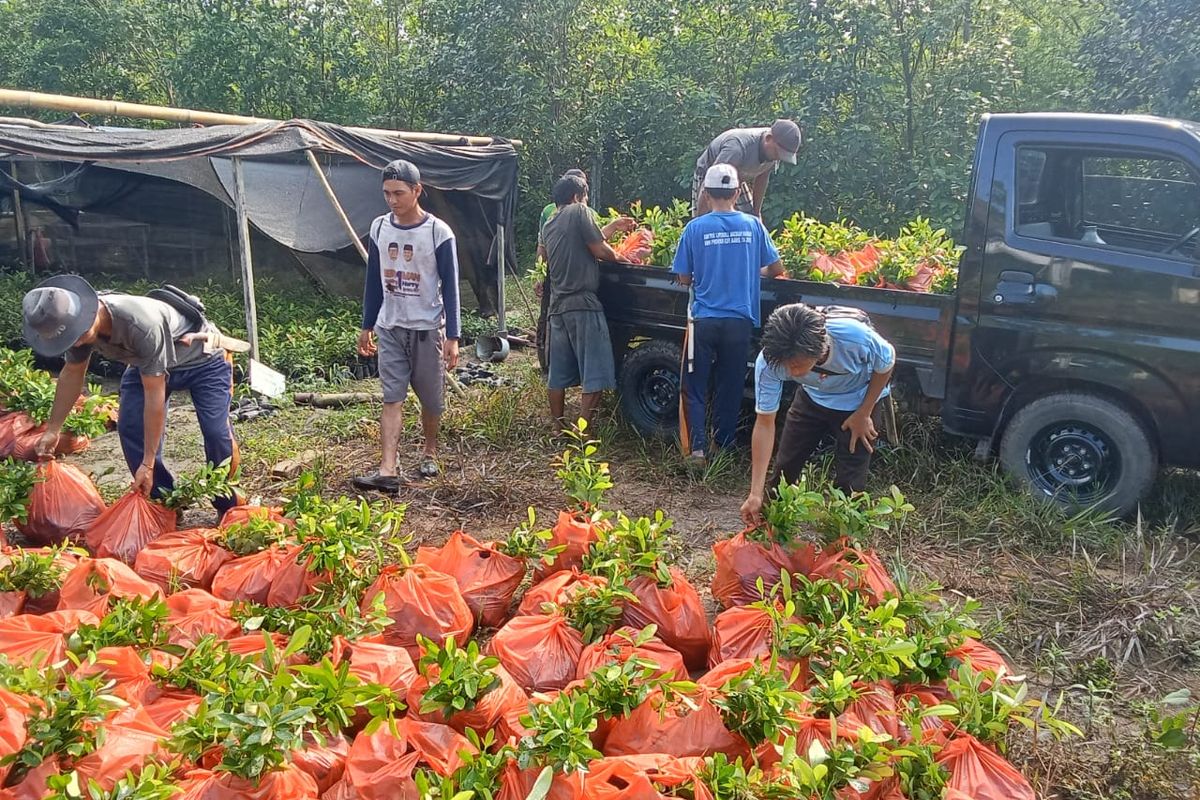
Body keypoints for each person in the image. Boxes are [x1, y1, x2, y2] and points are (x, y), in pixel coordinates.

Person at [21, 275, 241, 513]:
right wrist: (53, 429)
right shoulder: (75, 332)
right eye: (68, 340)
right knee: (131, 426)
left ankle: (227, 506)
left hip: (204, 362)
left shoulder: (140, 323)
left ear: (88, 314)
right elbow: (72, 373)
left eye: (77, 336)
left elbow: (154, 397)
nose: (75, 344)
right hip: (144, 364)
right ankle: (163, 502)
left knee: (216, 432)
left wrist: (147, 462)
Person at [355, 159, 461, 491]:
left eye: (399, 193)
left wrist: (453, 336)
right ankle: (388, 469)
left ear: (417, 191)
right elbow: (373, 280)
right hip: (391, 326)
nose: (392, 200)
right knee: (392, 396)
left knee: (431, 399)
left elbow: (452, 286)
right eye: (386, 194)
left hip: (427, 327)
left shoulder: (437, 232)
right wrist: (367, 324)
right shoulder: (379, 228)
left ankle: (429, 451)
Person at [740, 303, 896, 527]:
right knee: (785, 465)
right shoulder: (770, 362)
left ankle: (844, 538)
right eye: (787, 366)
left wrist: (864, 412)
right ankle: (769, 527)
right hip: (811, 399)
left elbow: (886, 363)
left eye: (796, 365)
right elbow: (765, 423)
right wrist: (755, 493)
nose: (791, 373)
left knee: (851, 478)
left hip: (858, 401)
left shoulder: (855, 337)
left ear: (819, 348)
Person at [671, 164, 784, 465]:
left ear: (705, 195)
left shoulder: (694, 228)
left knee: (694, 385)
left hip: (704, 320)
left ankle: (696, 451)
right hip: (740, 321)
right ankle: (724, 446)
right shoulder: (753, 226)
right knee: (730, 384)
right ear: (736, 192)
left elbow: (682, 277)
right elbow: (776, 269)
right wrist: (750, 269)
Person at [540, 173, 621, 430]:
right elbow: (598, 249)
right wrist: (624, 258)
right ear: (577, 197)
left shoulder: (550, 223)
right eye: (585, 197)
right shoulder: (579, 211)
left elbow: (580, 242)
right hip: (583, 303)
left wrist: (613, 227)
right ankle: (583, 430)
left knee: (558, 373)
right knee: (596, 370)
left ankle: (559, 426)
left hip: (558, 306)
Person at [692, 119, 803, 218]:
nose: (779, 158)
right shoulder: (737, 149)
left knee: (749, 218)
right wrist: (699, 222)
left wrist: (756, 213)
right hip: (709, 176)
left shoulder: (772, 152)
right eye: (779, 153)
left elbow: (762, 178)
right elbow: (709, 184)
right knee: (711, 220)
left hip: (738, 177)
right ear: (769, 139)